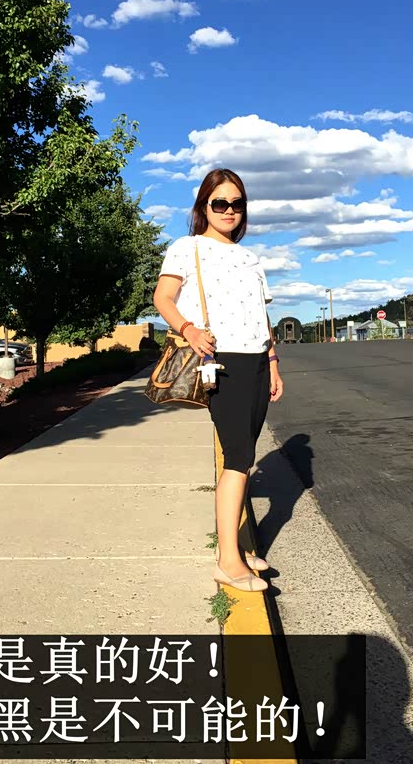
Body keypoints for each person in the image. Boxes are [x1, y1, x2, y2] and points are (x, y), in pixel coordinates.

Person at [153, 168, 284, 593]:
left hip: (257, 360)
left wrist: (273, 360)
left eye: (237, 203)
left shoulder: (250, 257)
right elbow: (162, 298)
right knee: (238, 457)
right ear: (204, 206)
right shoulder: (187, 248)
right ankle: (228, 561)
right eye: (220, 203)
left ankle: (237, 547)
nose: (229, 210)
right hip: (220, 361)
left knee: (244, 456)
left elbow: (260, 314)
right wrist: (188, 329)